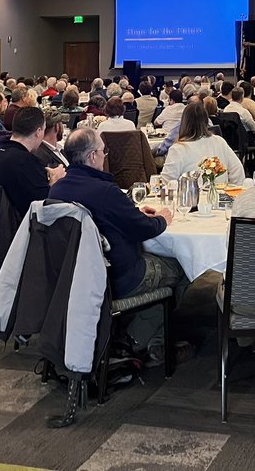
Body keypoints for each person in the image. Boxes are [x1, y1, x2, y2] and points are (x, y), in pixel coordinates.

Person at [49, 127, 187, 362]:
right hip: (118, 277)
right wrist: (163, 218)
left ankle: (136, 330)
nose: (105, 156)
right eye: (104, 152)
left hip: (74, 276)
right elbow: (141, 229)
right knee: (182, 265)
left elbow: (114, 217)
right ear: (92, 156)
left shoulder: (57, 189)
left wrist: (133, 213)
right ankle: (143, 339)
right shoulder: (104, 191)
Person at [0, 107, 62, 216]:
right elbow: (44, 206)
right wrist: (55, 181)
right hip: (20, 225)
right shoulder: (25, 162)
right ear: (38, 132)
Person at [160, 102, 245, 185]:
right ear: (206, 121)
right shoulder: (219, 141)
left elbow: (167, 182)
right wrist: (232, 192)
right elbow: (237, 171)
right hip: (219, 196)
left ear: (183, 122)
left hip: (191, 197)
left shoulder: (177, 149)